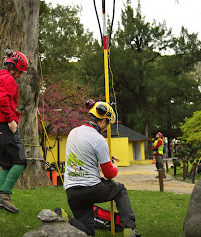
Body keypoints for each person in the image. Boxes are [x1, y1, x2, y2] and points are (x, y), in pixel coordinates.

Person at [55, 100, 141, 237]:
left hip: (72, 191)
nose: (107, 128)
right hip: (90, 188)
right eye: (108, 123)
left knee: (88, 232)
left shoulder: (73, 132)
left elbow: (84, 151)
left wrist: (105, 155)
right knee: (120, 190)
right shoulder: (99, 139)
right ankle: (129, 229)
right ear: (103, 121)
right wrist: (115, 166)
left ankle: (66, 218)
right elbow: (109, 174)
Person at [0, 50, 28, 214]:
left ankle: (2, 200)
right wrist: (10, 120)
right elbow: (2, 101)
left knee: (6, 164)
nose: (20, 76)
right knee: (21, 161)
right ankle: (4, 195)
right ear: (15, 68)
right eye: (20, 72)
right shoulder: (8, 80)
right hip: (5, 126)